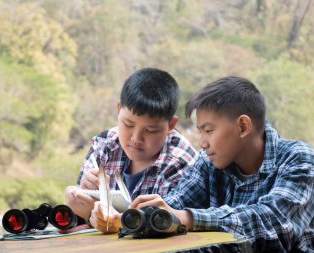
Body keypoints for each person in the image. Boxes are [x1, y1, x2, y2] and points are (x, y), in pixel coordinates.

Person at [128, 76, 314, 252]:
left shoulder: (298, 159)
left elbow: (273, 224)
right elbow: (176, 203)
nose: (202, 143)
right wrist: (136, 217)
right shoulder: (208, 162)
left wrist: (189, 218)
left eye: (208, 131)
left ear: (243, 127)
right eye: (200, 132)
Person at [65, 67, 197, 233]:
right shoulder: (105, 144)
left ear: (171, 125)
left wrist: (105, 217)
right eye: (128, 124)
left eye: (150, 130)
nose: (136, 138)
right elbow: (82, 214)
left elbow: (167, 227)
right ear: (119, 109)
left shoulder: (180, 162)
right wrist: (83, 200)